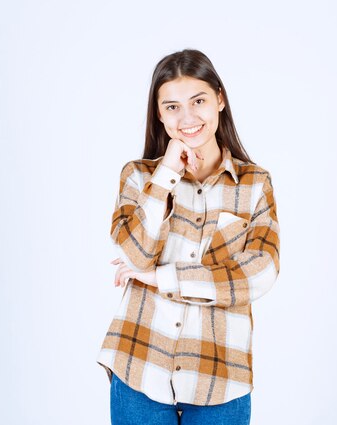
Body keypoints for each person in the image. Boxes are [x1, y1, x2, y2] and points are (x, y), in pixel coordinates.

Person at [96, 49, 281, 425]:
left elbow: (258, 274)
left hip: (221, 380)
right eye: (172, 107)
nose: (187, 118)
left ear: (220, 100)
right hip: (139, 369)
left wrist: (160, 278)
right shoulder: (138, 177)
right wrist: (165, 172)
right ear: (159, 115)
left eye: (198, 101)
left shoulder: (254, 184)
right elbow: (135, 251)